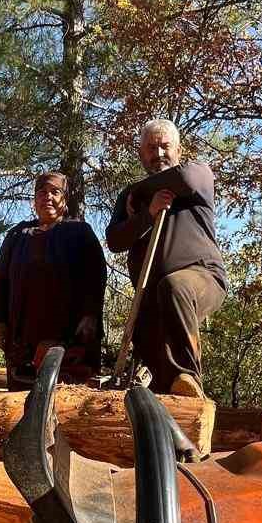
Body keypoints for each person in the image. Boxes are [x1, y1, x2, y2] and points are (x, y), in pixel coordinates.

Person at [105, 119, 227, 397]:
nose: (158, 154)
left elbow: (183, 179)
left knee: (175, 286)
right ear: (141, 154)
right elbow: (115, 240)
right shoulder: (129, 196)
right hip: (149, 299)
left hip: (202, 277)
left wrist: (140, 193)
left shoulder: (198, 173)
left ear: (179, 150)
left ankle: (187, 379)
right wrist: (148, 213)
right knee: (153, 368)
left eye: (164, 146)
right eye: (150, 148)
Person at [0, 171, 107, 388]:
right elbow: (0, 280)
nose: (48, 197)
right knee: (22, 403)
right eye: (42, 193)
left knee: (69, 403)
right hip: (22, 340)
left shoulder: (80, 232)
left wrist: (90, 315)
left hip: (70, 337)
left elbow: (95, 278)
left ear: (65, 198)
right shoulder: (17, 235)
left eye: (55, 192)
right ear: (34, 199)